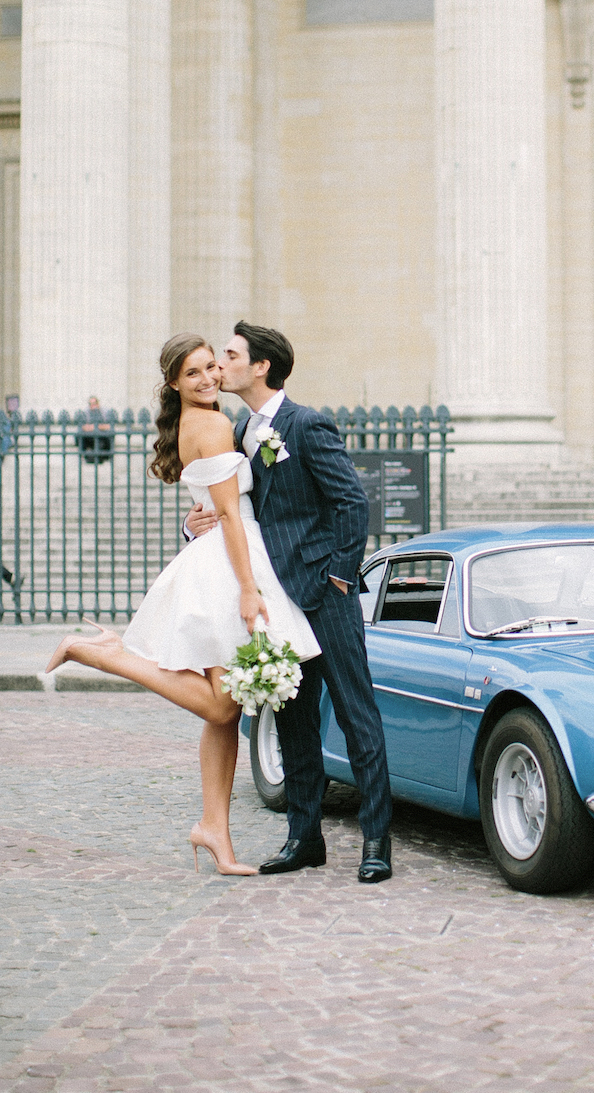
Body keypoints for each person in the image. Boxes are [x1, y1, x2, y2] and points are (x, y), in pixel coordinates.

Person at [45, 333, 322, 875]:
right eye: (193, 374)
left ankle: (214, 829)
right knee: (223, 705)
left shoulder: (206, 420)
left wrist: (201, 524)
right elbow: (232, 516)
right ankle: (104, 653)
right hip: (227, 568)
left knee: (225, 714)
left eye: (211, 368)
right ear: (174, 383)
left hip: (219, 553)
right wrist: (247, 589)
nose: (208, 379)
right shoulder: (214, 424)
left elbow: (215, 506)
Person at [186, 322, 393, 884]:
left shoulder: (305, 424)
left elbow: (352, 503)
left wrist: (340, 579)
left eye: (228, 356)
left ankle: (376, 841)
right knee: (292, 721)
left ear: (260, 368)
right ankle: (304, 838)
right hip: (274, 603)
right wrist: (195, 525)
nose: (218, 366)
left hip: (325, 599)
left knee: (356, 716)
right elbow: (236, 513)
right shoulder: (239, 430)